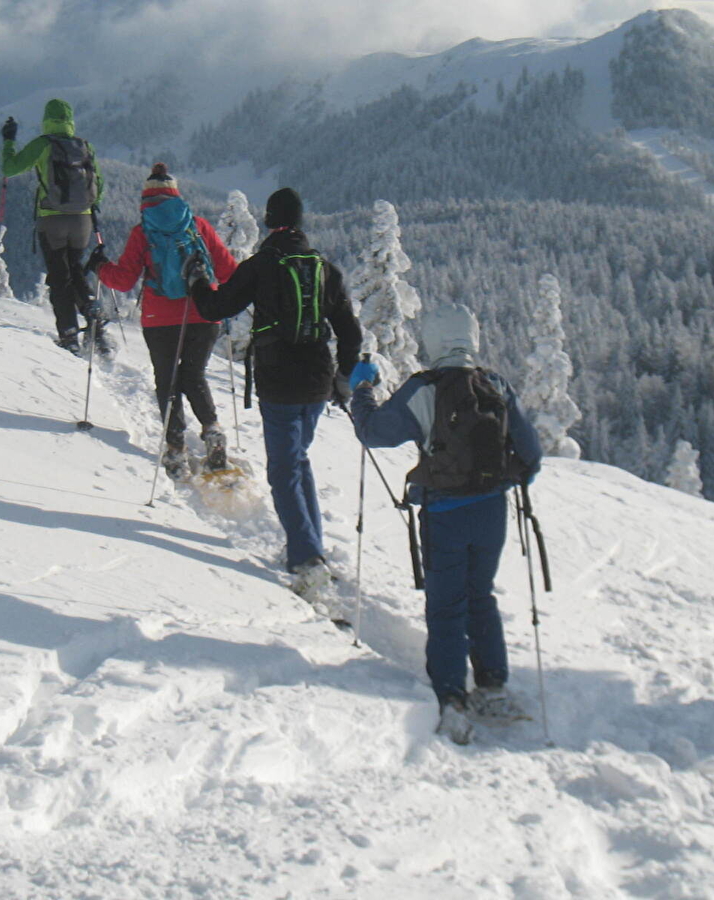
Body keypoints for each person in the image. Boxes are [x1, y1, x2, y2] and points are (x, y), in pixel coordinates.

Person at [348, 304, 542, 745]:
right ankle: (493, 686)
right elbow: (530, 456)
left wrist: (362, 389)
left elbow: (373, 432)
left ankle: (451, 697)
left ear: (433, 341)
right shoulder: (496, 385)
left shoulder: (424, 389)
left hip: (444, 514)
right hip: (491, 512)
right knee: (480, 595)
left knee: (446, 604)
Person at [187, 188, 362, 591]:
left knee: (283, 471)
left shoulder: (262, 265)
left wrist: (197, 281)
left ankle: (306, 557)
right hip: (318, 380)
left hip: (279, 379)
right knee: (298, 460)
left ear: (269, 222)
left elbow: (215, 308)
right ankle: (310, 546)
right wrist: (344, 379)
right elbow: (350, 333)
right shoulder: (325, 269)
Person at [86, 163, 238, 475]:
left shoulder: (143, 232)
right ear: (176, 195)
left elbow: (124, 280)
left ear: (146, 199)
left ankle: (176, 448)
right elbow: (228, 272)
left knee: (167, 380)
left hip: (160, 320)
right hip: (204, 315)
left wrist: (100, 267)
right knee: (194, 376)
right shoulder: (198, 226)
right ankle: (212, 431)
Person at [0, 99, 106, 354]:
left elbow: (9, 168)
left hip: (52, 219)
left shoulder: (43, 144)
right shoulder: (85, 146)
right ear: (70, 120)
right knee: (76, 268)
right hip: (82, 220)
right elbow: (99, 186)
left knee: (59, 276)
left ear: (47, 120)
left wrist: (9, 141)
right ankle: (92, 315)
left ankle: (69, 335)